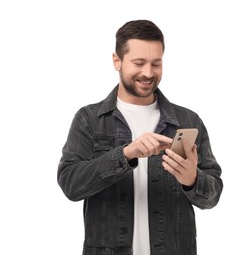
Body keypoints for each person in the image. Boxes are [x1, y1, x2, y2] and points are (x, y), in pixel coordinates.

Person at [57, 19, 223, 255]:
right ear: (117, 61)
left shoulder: (188, 121)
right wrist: (125, 155)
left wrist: (192, 179)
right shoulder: (89, 119)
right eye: (139, 63)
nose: (148, 73)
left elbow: (212, 195)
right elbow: (70, 185)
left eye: (156, 63)